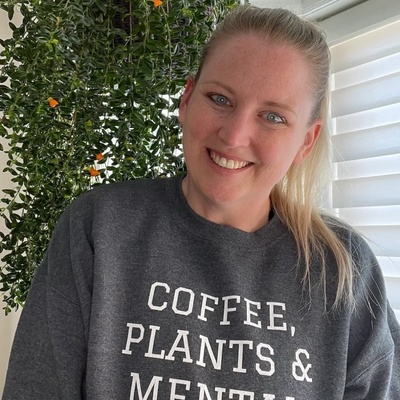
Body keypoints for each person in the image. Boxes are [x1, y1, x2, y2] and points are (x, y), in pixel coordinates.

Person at [3, 5, 400, 400]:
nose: (234, 136)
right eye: (220, 99)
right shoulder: (99, 229)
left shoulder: (344, 270)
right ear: (187, 99)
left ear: (306, 142)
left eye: (273, 117)